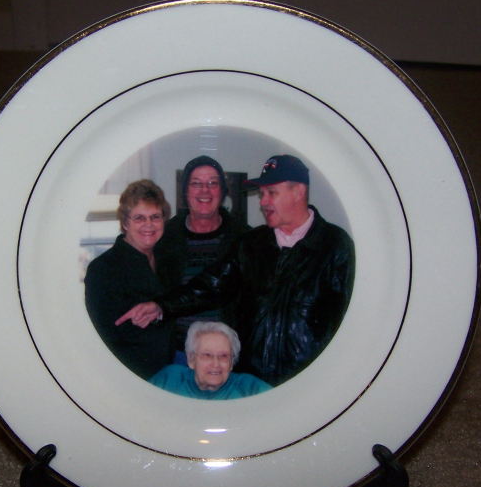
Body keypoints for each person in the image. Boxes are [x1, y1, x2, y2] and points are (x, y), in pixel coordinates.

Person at [117, 154, 355, 387]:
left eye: (271, 193)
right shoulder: (253, 242)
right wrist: (161, 306)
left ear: (298, 192)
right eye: (262, 194)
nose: (262, 202)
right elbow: (211, 285)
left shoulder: (334, 246)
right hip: (252, 382)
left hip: (308, 383)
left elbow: (347, 324)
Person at [154, 155, 248, 364]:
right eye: (196, 184)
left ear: (222, 192)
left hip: (228, 358)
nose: (204, 190)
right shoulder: (165, 237)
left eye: (213, 184)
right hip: (177, 354)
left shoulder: (244, 239)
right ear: (185, 192)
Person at [84, 179, 174, 380]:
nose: (148, 225)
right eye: (139, 218)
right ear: (125, 223)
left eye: (155, 217)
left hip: (167, 371)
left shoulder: (167, 260)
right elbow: (103, 336)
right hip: (129, 376)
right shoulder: (103, 268)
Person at [148, 321, 271, 399]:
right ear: (191, 360)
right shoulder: (170, 379)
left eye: (223, 356)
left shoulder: (249, 388)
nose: (216, 364)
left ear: (231, 363)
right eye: (207, 355)